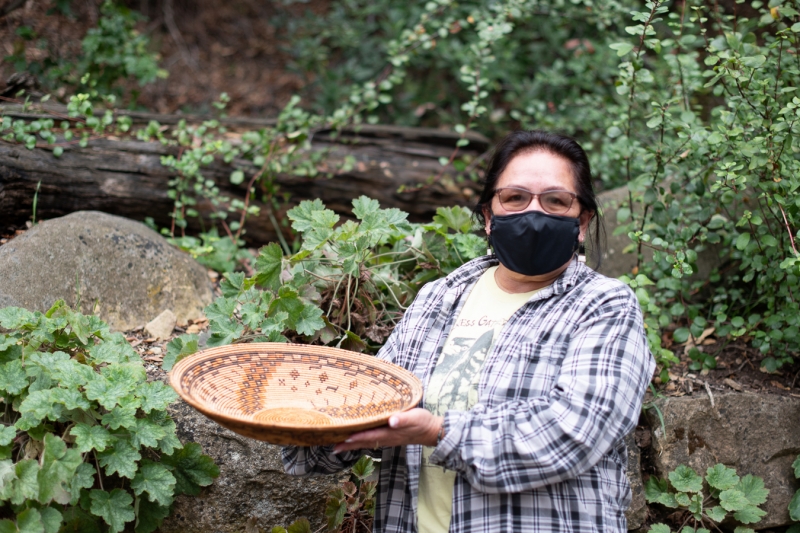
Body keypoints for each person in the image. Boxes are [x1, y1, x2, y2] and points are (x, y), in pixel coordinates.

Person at [282, 130, 656, 533]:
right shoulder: (438, 299)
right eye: (515, 198)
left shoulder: (605, 306)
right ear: (488, 217)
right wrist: (306, 417)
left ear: (581, 222)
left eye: (555, 201)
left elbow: (573, 433)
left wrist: (438, 432)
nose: (533, 214)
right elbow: (375, 402)